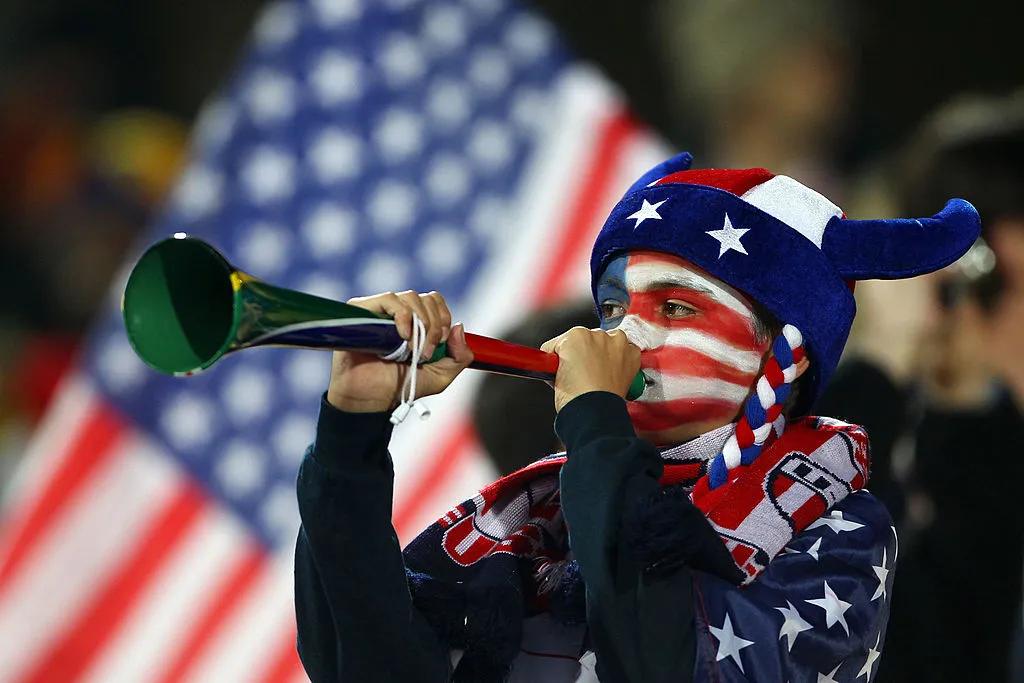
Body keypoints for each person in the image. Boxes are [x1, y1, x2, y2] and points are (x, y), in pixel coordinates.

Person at [292, 152, 980, 682]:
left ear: (782, 353)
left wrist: (595, 424)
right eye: (615, 308)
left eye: (676, 308)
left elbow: (667, 662)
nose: (624, 337)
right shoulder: (546, 514)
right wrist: (351, 433)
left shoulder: (837, 524)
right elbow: (361, 664)